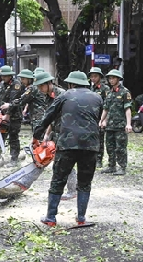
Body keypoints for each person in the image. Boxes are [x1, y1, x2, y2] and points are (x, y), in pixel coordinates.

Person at [34, 71, 103, 226]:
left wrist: (37, 134)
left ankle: (50, 218)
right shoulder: (97, 97)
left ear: (71, 84)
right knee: (85, 182)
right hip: (90, 146)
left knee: (58, 179)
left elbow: (48, 116)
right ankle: (81, 218)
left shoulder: (64, 96)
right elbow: (97, 118)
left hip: (67, 145)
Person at [99, 69, 132, 175]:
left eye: (113, 78)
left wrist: (128, 124)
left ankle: (122, 167)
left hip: (120, 125)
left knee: (120, 147)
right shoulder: (109, 93)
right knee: (110, 146)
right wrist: (102, 120)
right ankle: (111, 165)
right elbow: (106, 108)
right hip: (110, 125)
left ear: (118, 79)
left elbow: (127, 108)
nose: (111, 80)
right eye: (109, 78)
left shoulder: (125, 92)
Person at [0, 65, 24, 163]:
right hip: (3, 116)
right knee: (1, 134)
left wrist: (7, 115)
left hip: (14, 117)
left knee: (13, 137)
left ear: (9, 76)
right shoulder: (2, 84)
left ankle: (14, 158)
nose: (2, 78)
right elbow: (0, 99)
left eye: (4, 76)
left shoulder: (16, 84)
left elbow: (14, 101)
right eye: (2, 76)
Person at [89, 67, 109, 167]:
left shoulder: (105, 89)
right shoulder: (91, 88)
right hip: (92, 117)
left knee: (100, 139)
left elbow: (107, 105)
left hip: (101, 116)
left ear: (100, 77)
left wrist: (104, 119)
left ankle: (99, 160)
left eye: (95, 76)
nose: (93, 78)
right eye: (91, 76)